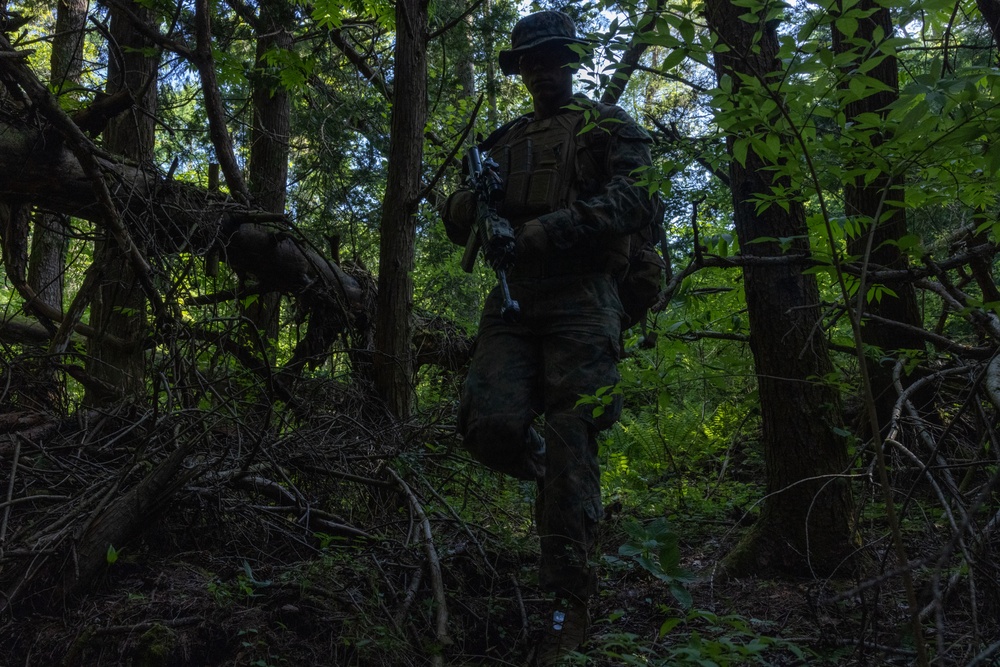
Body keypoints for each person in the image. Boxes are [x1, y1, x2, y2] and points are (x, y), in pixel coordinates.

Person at [442, 9, 660, 665]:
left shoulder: (607, 128)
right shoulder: (501, 140)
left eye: (554, 57)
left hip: (584, 295)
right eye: (532, 61)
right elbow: (457, 222)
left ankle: (568, 603)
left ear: (571, 60)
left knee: (573, 438)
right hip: (514, 299)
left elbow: (639, 200)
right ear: (522, 70)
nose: (543, 70)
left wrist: (549, 228)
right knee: (488, 424)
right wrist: (470, 205)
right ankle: (564, 488)